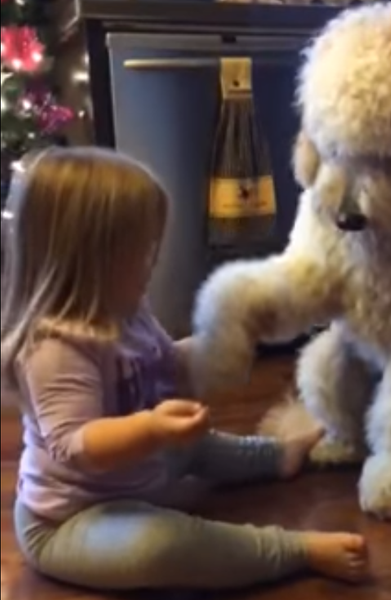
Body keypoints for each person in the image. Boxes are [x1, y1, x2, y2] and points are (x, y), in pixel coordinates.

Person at [1, 146, 369, 593]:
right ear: (89, 260)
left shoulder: (126, 308)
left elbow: (167, 363)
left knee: (199, 445)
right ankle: (290, 550)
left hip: (145, 471)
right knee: (157, 547)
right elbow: (77, 445)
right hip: (72, 518)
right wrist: (151, 429)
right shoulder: (55, 348)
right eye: (140, 249)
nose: (152, 259)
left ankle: (277, 455)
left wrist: (229, 338)